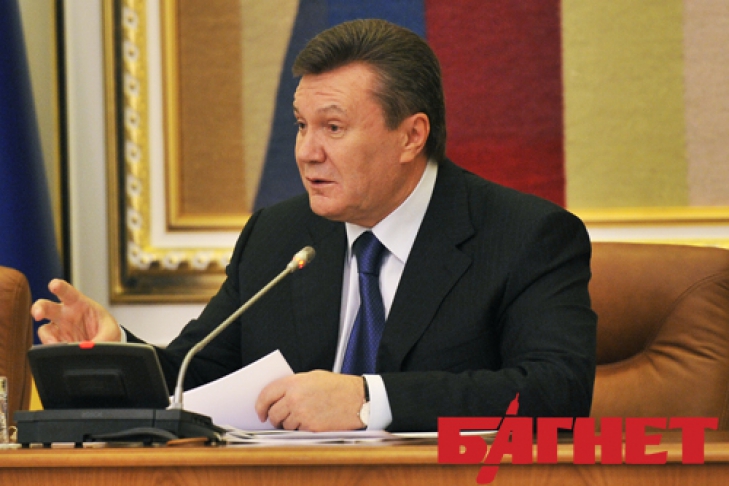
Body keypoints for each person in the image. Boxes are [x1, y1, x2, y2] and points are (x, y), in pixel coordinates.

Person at [31, 19, 596, 432]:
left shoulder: (526, 236)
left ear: (411, 136)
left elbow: (556, 392)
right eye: (302, 125)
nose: (306, 152)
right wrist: (113, 351)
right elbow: (197, 374)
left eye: (333, 127)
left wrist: (368, 400)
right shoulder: (278, 236)